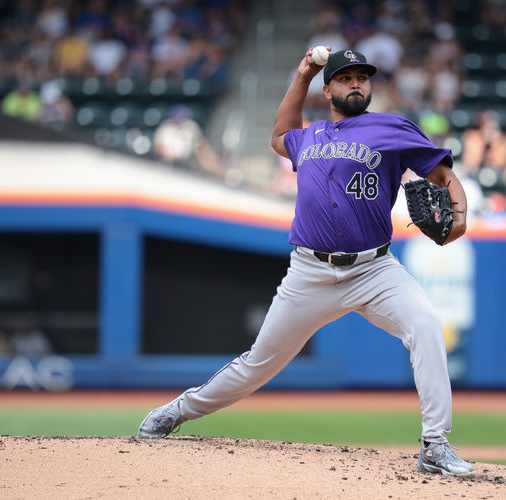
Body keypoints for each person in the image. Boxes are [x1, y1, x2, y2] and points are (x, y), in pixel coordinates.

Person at [138, 47, 474, 478]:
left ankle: (435, 445)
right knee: (259, 362)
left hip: (374, 270)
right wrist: (301, 75)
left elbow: (444, 176)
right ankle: (177, 410)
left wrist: (460, 217)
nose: (357, 83)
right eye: (346, 77)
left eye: (363, 77)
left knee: (426, 324)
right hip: (310, 273)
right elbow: (279, 135)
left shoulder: (391, 128)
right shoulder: (309, 136)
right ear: (329, 88)